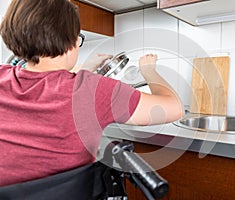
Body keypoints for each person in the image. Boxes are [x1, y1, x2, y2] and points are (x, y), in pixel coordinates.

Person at [0, 0, 184, 187]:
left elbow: (42, 78)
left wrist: (85, 70)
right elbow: (175, 107)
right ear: (71, 41)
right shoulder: (92, 90)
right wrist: (149, 71)